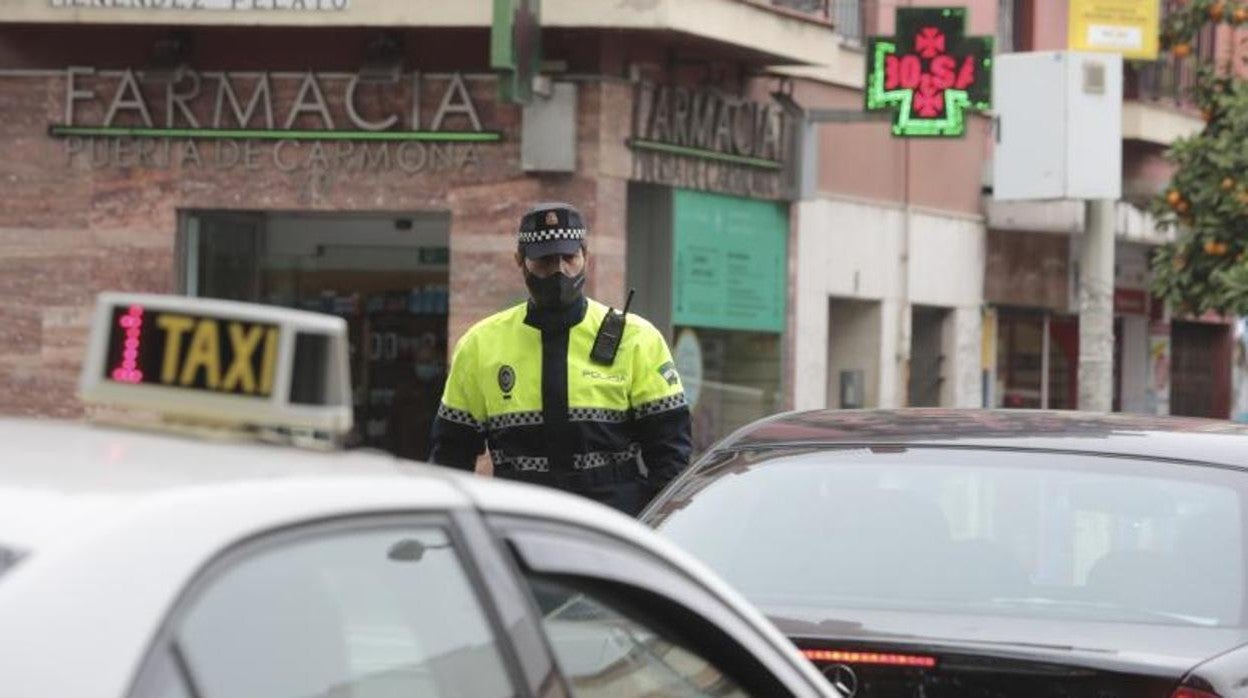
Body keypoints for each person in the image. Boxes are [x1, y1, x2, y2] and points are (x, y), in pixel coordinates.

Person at [428, 203, 692, 515]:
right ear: (520, 262)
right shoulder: (480, 345)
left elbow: (671, 455)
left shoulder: (637, 339)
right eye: (545, 260)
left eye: (569, 258)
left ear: (586, 258)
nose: (559, 271)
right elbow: (450, 457)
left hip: (612, 525)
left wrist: (650, 527)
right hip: (520, 527)